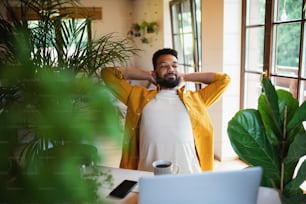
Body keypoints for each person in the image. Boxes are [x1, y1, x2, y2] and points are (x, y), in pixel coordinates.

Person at [101, 48, 230, 173]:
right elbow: (108, 73)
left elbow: (224, 80)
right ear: (155, 71)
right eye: (164, 65)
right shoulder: (137, 96)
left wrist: (185, 76)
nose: (170, 69)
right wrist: (147, 75)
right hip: (148, 174)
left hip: (189, 174)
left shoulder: (196, 99)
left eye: (174, 66)